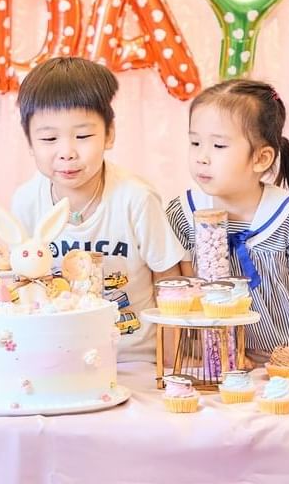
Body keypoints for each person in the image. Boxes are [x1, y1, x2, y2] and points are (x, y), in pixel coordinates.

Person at [10, 57, 185, 363]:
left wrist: (170, 361)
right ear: (29, 142)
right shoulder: (26, 202)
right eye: (49, 138)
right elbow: (21, 285)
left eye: (83, 136)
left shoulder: (136, 199)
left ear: (109, 134)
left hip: (133, 360)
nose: (67, 153)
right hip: (55, 357)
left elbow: (168, 280)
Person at [166, 79, 289, 366]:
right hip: (210, 359)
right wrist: (212, 354)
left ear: (261, 158)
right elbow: (190, 292)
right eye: (195, 142)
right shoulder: (183, 212)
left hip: (278, 357)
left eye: (218, 145)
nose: (202, 157)